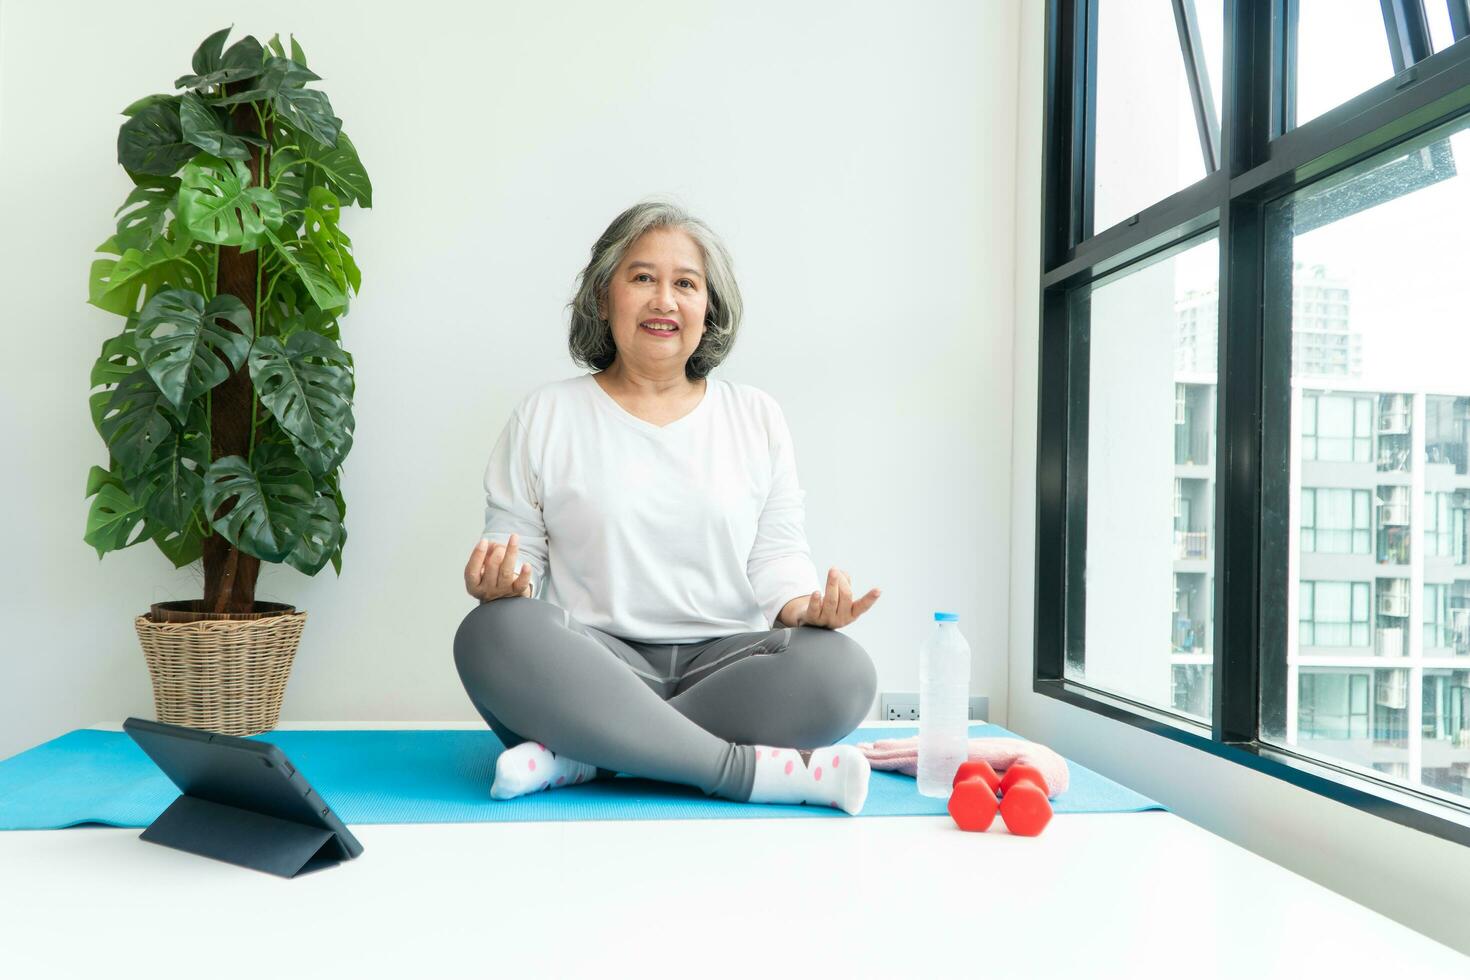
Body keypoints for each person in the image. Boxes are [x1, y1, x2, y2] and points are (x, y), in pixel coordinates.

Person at [453, 199, 881, 814]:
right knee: (491, 633)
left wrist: (804, 606)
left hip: (728, 665)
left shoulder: (755, 415)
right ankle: (740, 772)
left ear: (709, 309)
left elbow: (778, 556)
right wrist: (500, 585)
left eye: (685, 283)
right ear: (605, 298)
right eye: (643, 278)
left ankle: (589, 754)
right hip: (592, 663)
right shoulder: (546, 414)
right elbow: (519, 557)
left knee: (844, 672)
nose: (664, 300)